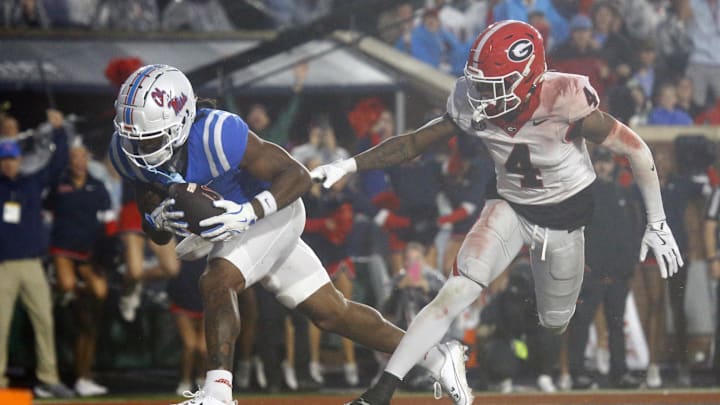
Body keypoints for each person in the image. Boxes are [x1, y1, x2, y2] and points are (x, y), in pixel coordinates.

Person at [311, 20, 684, 405]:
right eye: (478, 82)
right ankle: (380, 392)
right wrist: (348, 165)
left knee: (556, 322)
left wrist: (657, 221)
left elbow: (637, 150)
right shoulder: (471, 100)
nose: (481, 95)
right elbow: (414, 142)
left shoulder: (565, 97)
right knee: (452, 293)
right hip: (508, 205)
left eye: (493, 84)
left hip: (564, 221)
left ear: (529, 76)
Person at [107, 64, 470, 405]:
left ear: (182, 120)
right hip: (236, 227)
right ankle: (436, 355)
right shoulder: (127, 154)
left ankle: (217, 392)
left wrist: (247, 213)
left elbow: (297, 176)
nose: (139, 151)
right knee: (333, 313)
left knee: (218, 280)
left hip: (272, 211)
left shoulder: (219, 133)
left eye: (151, 140)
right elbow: (154, 233)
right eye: (133, 140)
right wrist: (159, 221)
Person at [0, 136, 74, 399]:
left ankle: (48, 379)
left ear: (20, 159)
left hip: (32, 263)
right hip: (3, 266)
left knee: (44, 321)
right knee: (0, 326)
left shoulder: (30, 183)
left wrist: (59, 133)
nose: (9, 164)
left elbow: (58, 165)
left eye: (12, 158)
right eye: (4, 159)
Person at [45, 141, 113, 397]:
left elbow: (108, 225)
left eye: (82, 156)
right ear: (69, 160)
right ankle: (61, 291)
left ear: (88, 159)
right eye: (74, 157)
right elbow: (46, 216)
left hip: (88, 253)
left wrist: (103, 258)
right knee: (67, 285)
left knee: (98, 297)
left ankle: (85, 377)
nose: (78, 161)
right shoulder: (58, 184)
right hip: (62, 249)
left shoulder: (98, 186)